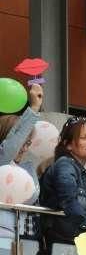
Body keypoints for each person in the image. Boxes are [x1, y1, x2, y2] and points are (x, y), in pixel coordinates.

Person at [40, 115, 86, 246]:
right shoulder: (64, 165)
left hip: (73, 246)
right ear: (68, 145)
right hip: (59, 249)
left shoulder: (79, 170)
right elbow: (68, 201)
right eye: (84, 137)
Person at [0, 84, 43, 239]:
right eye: (23, 143)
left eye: (28, 143)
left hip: (23, 242)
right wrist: (34, 108)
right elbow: (12, 145)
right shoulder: (2, 159)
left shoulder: (26, 170)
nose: (25, 148)